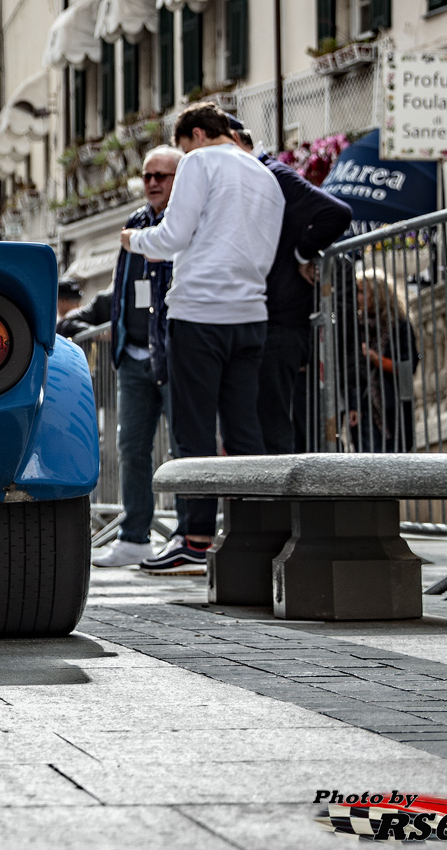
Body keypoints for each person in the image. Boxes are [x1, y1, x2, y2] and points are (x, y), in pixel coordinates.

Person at [121, 102, 284, 574]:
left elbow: (172, 235)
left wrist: (134, 241)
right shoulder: (265, 176)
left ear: (194, 135)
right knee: (243, 430)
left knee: (193, 430)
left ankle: (194, 541)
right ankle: (251, 536)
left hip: (199, 311)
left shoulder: (199, 161)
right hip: (251, 312)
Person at [228, 116, 352, 453]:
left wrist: (302, 253)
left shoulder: (274, 174)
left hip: (279, 322)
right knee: (258, 422)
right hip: (264, 319)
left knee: (273, 424)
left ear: (236, 141)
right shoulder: (254, 176)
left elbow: (337, 213)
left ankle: (282, 506)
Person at [91, 147, 180, 567]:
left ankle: (187, 534)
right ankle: (134, 537)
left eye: (162, 175)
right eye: (147, 175)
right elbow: (120, 288)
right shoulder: (134, 223)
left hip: (177, 353)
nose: (152, 182)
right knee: (131, 447)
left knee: (184, 451)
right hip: (132, 355)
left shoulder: (184, 220)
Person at [348, 268, 419, 453]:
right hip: (365, 407)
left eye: (362, 292)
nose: (357, 297)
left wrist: (377, 359)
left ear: (377, 294)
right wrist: (353, 404)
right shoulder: (356, 327)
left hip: (393, 405)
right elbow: (351, 369)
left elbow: (408, 365)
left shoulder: (399, 325)